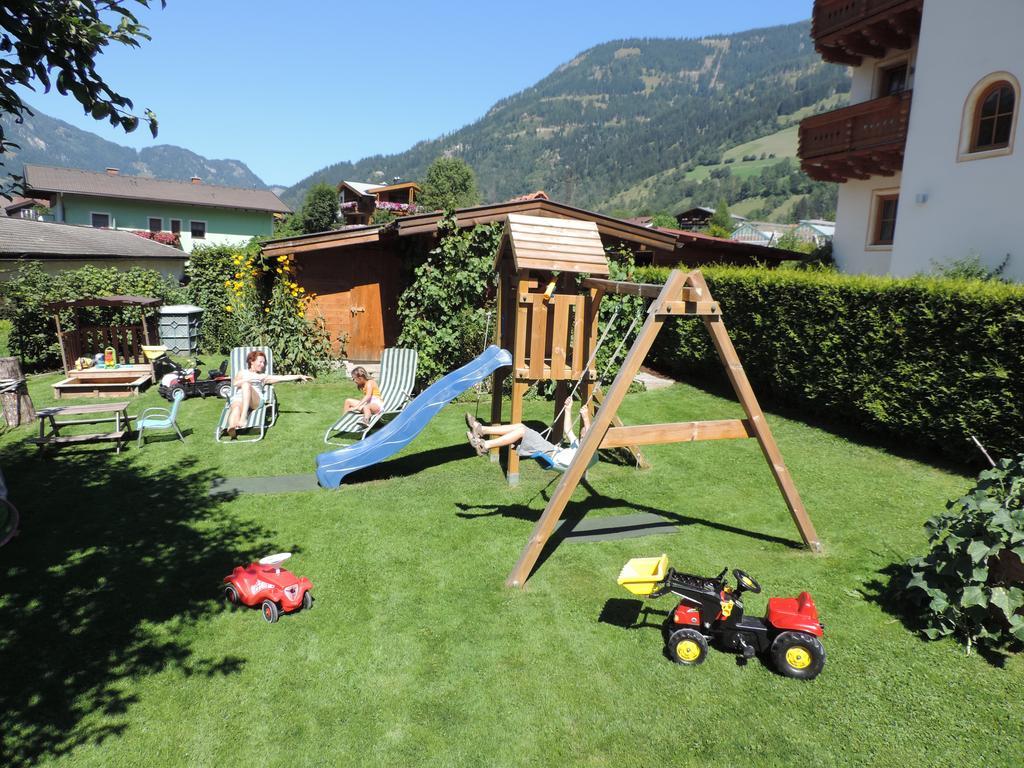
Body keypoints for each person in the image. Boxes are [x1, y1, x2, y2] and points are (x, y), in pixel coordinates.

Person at [465, 397, 591, 470]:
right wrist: (568, 409)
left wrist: (586, 420)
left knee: (522, 431)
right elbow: (568, 429)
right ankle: (481, 430)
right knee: (520, 426)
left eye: (585, 431)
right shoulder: (578, 445)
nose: (582, 432)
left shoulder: (589, 452)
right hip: (551, 450)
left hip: (551, 455)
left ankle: (484, 445)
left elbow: (591, 440)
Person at [226, 350, 311, 438]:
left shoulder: (262, 377)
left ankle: (243, 418)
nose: (263, 365)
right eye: (260, 362)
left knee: (246, 385)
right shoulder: (242, 372)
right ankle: (232, 430)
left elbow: (282, 378)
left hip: (255, 400)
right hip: (239, 398)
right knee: (236, 408)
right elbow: (235, 384)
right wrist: (247, 379)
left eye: (264, 362)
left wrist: (299, 376)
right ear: (252, 361)